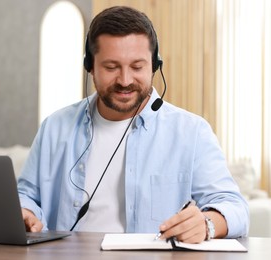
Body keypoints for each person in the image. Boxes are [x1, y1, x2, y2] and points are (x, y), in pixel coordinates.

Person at [17, 6, 249, 243]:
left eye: (137, 67)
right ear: (90, 66)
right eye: (111, 67)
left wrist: (207, 224)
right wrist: (25, 213)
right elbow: (25, 196)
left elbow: (235, 208)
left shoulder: (192, 132)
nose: (125, 80)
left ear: (154, 65)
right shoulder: (55, 127)